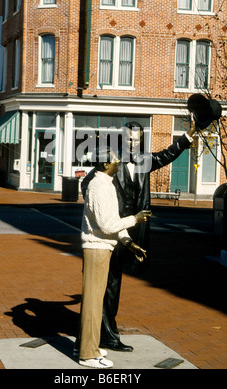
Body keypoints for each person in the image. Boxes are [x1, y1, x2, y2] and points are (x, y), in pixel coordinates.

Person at [81, 120, 196, 352]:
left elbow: (167, 155)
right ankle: (107, 335)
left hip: (134, 230)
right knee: (109, 283)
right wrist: (99, 211)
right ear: (122, 139)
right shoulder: (111, 162)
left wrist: (188, 135)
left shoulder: (144, 160)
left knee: (116, 282)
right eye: (129, 138)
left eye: (137, 138)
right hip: (113, 228)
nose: (133, 142)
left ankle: (103, 331)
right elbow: (87, 184)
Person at [76, 147, 150, 369]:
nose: (119, 163)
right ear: (106, 165)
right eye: (116, 161)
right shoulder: (99, 187)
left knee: (95, 302)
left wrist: (128, 242)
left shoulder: (105, 184)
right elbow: (107, 225)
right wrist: (135, 219)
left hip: (102, 247)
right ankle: (88, 355)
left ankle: (87, 346)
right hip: (97, 248)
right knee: (92, 303)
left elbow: (111, 219)